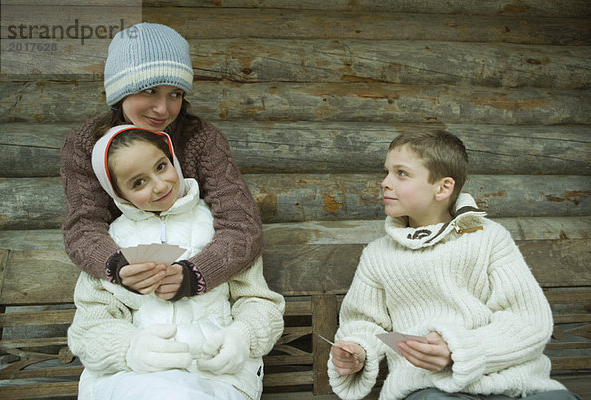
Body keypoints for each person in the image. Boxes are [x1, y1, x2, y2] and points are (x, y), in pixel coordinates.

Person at [327, 130, 580, 400]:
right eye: (386, 172)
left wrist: (461, 351)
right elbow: (363, 322)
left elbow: (529, 321)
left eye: (401, 173)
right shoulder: (378, 255)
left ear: (443, 188)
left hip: (512, 381)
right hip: (427, 386)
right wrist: (357, 350)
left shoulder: (489, 237)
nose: (385, 182)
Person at [67, 125, 284, 400]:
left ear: (173, 159)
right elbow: (88, 327)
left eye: (161, 166)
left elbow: (259, 302)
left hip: (216, 376)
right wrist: (129, 349)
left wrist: (243, 338)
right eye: (138, 182)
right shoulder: (114, 244)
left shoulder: (224, 233)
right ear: (119, 194)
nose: (159, 185)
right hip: (132, 378)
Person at [60, 22, 262, 300]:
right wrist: (117, 266)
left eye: (175, 94)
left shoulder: (203, 139)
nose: (163, 109)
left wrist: (196, 274)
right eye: (150, 91)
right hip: (126, 294)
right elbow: (83, 225)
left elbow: (241, 224)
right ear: (120, 91)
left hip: (200, 288)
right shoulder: (86, 144)